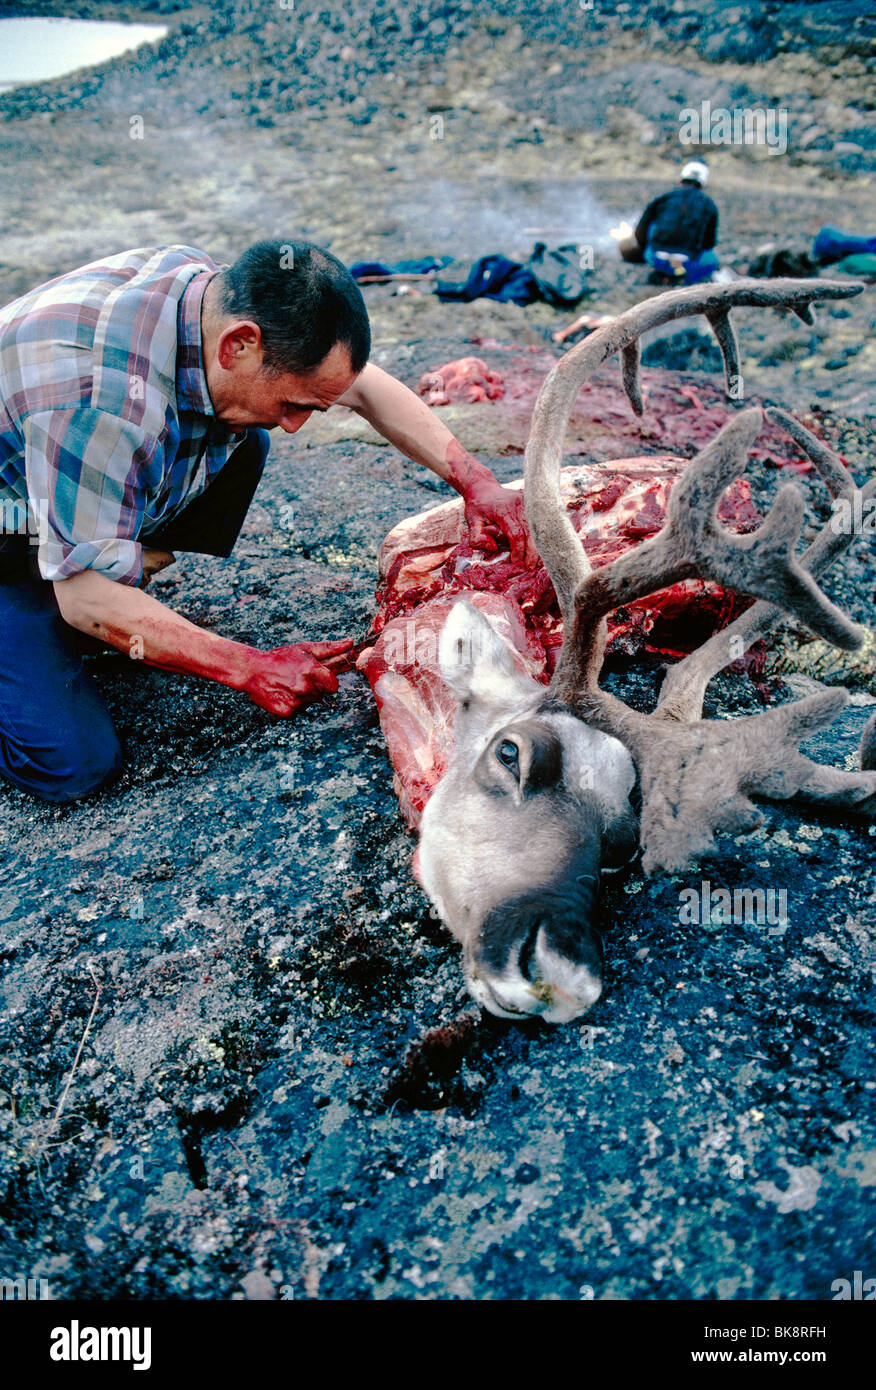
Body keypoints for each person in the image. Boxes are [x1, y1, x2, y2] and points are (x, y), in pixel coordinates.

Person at [0, 240, 537, 803]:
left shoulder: (219, 304)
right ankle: (70, 583)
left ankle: (100, 560)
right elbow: (85, 599)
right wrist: (248, 666)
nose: (298, 425)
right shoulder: (103, 406)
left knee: (248, 434)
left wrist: (477, 482)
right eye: (296, 404)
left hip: (53, 475)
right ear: (240, 345)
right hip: (12, 528)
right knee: (73, 764)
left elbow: (364, 386)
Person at [619, 161, 719, 284]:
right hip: (687, 263)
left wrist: (643, 250)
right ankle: (684, 278)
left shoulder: (664, 198)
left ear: (681, 179)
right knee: (712, 261)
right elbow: (709, 243)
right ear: (703, 183)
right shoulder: (709, 205)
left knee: (654, 225)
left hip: (655, 258)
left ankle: (664, 271)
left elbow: (641, 230)